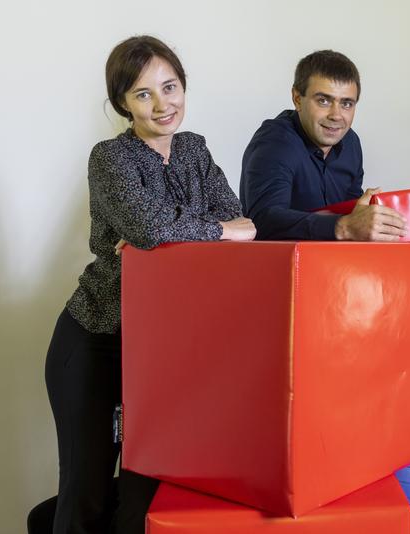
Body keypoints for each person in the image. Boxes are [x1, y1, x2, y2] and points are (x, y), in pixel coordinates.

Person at [40, 35, 255, 534]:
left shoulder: (194, 150)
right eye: (143, 94)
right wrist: (191, 232)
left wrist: (164, 232)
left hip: (161, 353)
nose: (163, 104)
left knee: (144, 493)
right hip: (96, 339)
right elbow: (152, 227)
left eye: (170, 86)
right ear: (122, 103)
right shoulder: (110, 157)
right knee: (86, 491)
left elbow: (239, 221)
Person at [240, 49, 407, 241]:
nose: (336, 115)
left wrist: (367, 216)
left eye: (346, 104)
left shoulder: (351, 143)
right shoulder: (275, 142)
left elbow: (350, 214)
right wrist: (344, 227)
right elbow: (262, 221)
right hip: (282, 266)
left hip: (334, 263)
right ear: (297, 99)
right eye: (324, 101)